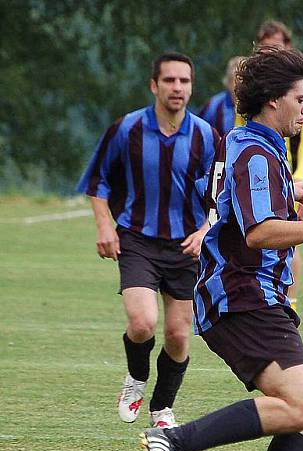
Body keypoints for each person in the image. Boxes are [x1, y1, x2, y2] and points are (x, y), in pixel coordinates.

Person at [139, 48, 303, 451]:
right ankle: (173, 440)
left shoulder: (257, 144)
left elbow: (240, 207)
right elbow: (258, 232)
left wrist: (290, 191)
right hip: (243, 296)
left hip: (255, 296)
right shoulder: (258, 152)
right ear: (272, 100)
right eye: (301, 99)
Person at [77, 52, 219, 428]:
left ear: (191, 87)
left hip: (186, 245)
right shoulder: (127, 129)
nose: (177, 88)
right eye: (170, 80)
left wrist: (205, 232)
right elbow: (98, 182)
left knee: (177, 333)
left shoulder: (206, 135)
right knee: (142, 323)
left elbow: (224, 193)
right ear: (154, 85)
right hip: (138, 240)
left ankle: (162, 408)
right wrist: (104, 225)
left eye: (184, 81)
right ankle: (136, 379)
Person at [249, 19, 303, 313]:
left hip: (287, 176)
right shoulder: (252, 85)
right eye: (266, 48)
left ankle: (287, 305)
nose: (271, 54)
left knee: (286, 240)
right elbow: (240, 126)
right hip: (258, 170)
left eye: (277, 48)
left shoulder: (302, 84)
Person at [198, 56, 244, 137]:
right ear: (228, 82)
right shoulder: (213, 106)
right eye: (237, 79)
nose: (241, 85)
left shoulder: (259, 105)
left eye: (245, 80)